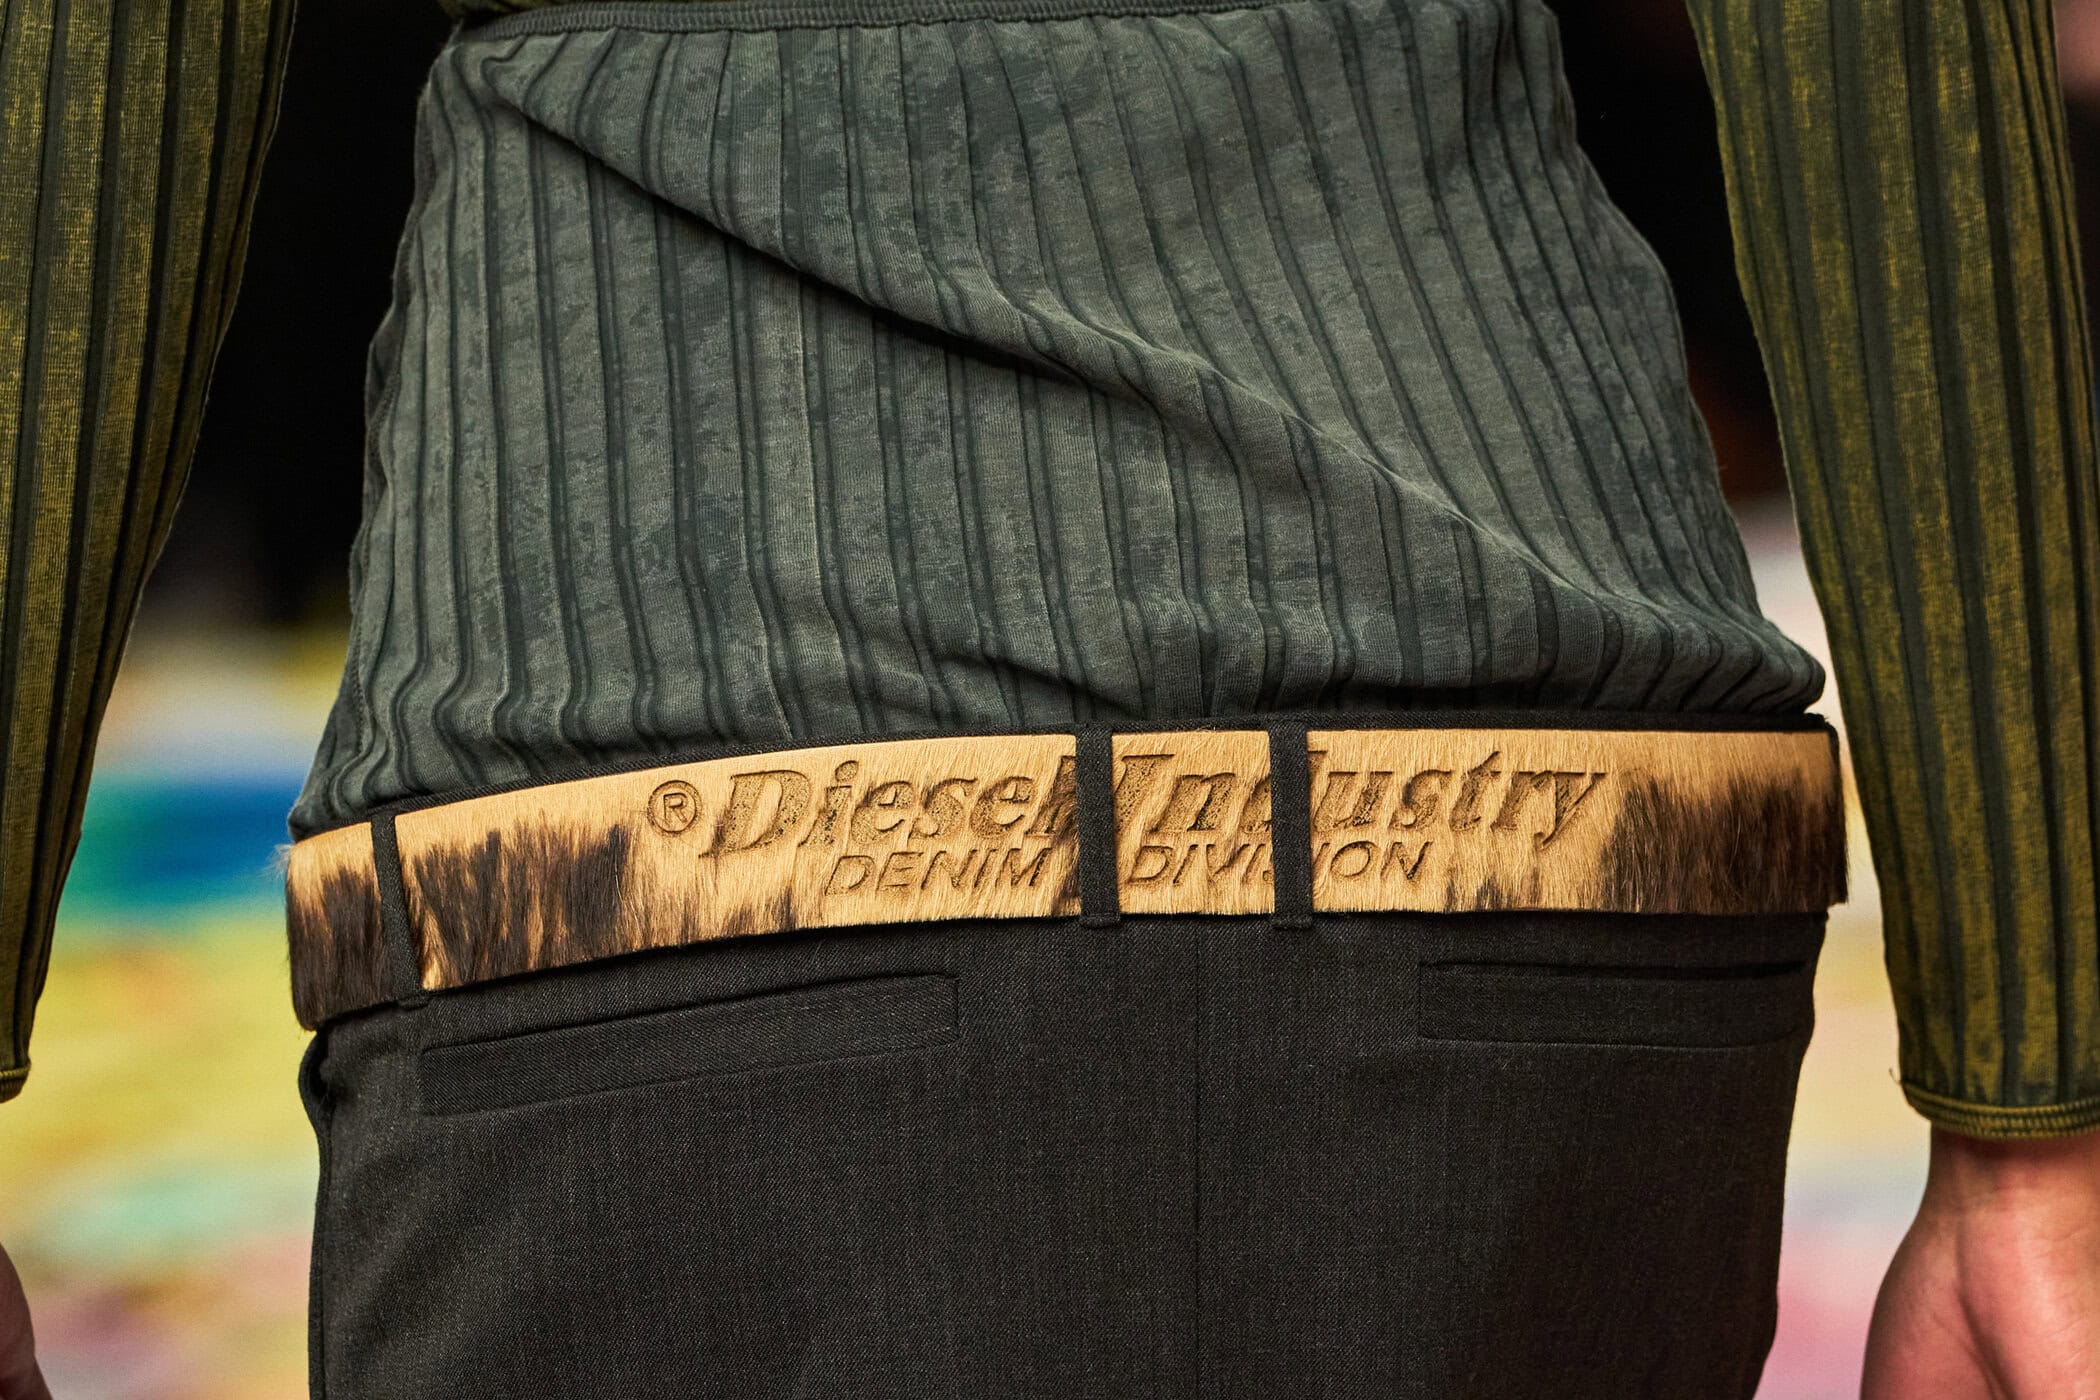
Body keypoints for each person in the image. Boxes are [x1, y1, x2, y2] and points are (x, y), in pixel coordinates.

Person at [2, 0, 2096, 1395]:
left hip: (663, 775)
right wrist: (2035, 1094)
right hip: (1520, 789)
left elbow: (112, 81)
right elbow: (1879, 51)